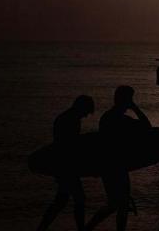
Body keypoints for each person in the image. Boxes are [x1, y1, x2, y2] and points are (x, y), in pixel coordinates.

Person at [86, 85, 151, 231]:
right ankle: (88, 228)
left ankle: (88, 228)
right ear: (126, 100)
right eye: (130, 99)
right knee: (118, 204)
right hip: (115, 166)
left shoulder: (108, 117)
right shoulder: (119, 119)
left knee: (117, 204)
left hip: (111, 166)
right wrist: (135, 108)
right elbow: (147, 127)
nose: (131, 101)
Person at [37, 95, 95, 231]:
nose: (86, 115)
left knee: (61, 200)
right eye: (86, 111)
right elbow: (69, 145)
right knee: (79, 199)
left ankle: (41, 228)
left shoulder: (66, 117)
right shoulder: (71, 119)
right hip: (66, 166)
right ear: (82, 107)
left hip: (62, 165)